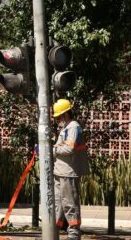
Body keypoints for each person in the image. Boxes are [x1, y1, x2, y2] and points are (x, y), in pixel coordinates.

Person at [53, 99, 89, 240]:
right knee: (57, 204)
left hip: (68, 172)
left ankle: (74, 234)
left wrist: (51, 150)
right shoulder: (66, 127)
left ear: (66, 114)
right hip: (60, 171)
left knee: (69, 204)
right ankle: (52, 233)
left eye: (58, 117)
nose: (56, 120)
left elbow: (69, 148)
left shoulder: (73, 127)